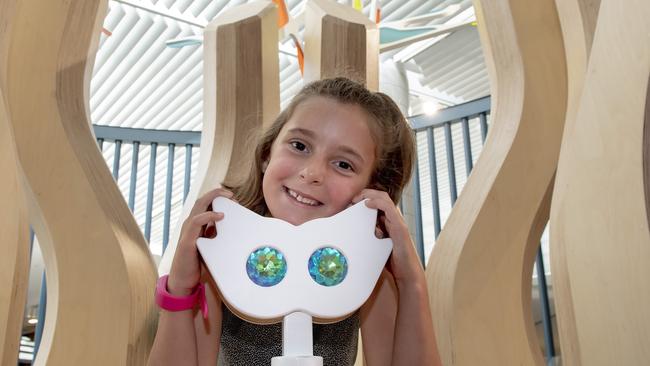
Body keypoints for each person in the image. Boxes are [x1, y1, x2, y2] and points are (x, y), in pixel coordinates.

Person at [147, 77, 441, 366]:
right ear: (267, 153)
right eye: (299, 146)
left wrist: (411, 281)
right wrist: (181, 289)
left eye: (343, 164)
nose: (312, 173)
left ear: (372, 189)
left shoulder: (367, 268)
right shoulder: (225, 250)